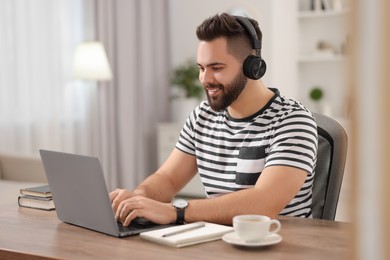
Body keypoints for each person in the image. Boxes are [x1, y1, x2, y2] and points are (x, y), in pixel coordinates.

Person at [110, 13, 317, 226]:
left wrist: (176, 212)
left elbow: (263, 204)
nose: (205, 79)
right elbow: (167, 179)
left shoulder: (293, 122)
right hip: (218, 242)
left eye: (216, 68)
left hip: (280, 246)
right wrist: (138, 199)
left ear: (253, 68)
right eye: (201, 68)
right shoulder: (203, 116)